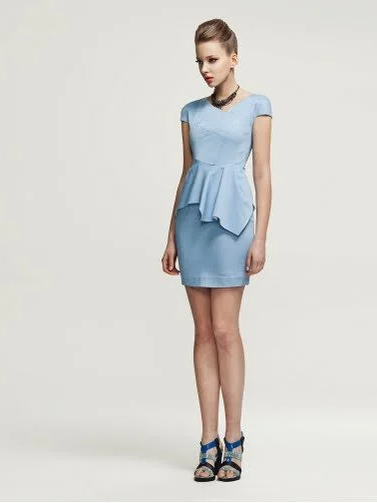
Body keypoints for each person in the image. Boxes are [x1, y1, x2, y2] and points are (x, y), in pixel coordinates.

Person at [161, 18, 272, 482]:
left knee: (226, 332)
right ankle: (208, 442)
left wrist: (260, 236)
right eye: (199, 61)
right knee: (203, 333)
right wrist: (171, 235)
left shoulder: (258, 106)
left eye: (213, 59)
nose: (205, 68)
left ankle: (235, 438)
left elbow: (262, 174)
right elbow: (186, 172)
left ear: (233, 58)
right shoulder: (190, 112)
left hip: (232, 224)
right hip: (192, 224)